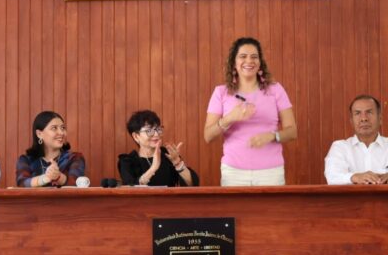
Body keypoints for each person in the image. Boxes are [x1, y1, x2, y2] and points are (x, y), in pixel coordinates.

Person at [204, 37, 297, 186]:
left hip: (271, 172)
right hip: (233, 173)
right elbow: (208, 136)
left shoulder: (275, 90)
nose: (249, 61)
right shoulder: (220, 93)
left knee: (271, 210)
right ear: (234, 63)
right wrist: (229, 118)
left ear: (260, 63)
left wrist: (272, 136)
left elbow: (292, 131)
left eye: (254, 57)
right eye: (243, 56)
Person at [324, 95, 388, 185]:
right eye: (357, 113)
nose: (364, 118)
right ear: (351, 121)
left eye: (369, 112)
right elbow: (332, 177)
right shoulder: (340, 147)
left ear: (380, 119)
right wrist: (354, 177)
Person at [118, 110, 199, 186]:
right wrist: (153, 168)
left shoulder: (168, 155)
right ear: (136, 136)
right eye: (149, 131)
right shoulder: (127, 161)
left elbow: (192, 184)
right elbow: (130, 188)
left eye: (158, 129)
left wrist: (177, 163)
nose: (156, 134)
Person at [16, 111, 86, 187]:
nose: (61, 132)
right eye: (54, 128)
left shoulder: (74, 158)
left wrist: (58, 177)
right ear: (39, 134)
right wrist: (45, 178)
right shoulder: (26, 160)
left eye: (63, 128)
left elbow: (76, 183)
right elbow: (22, 183)